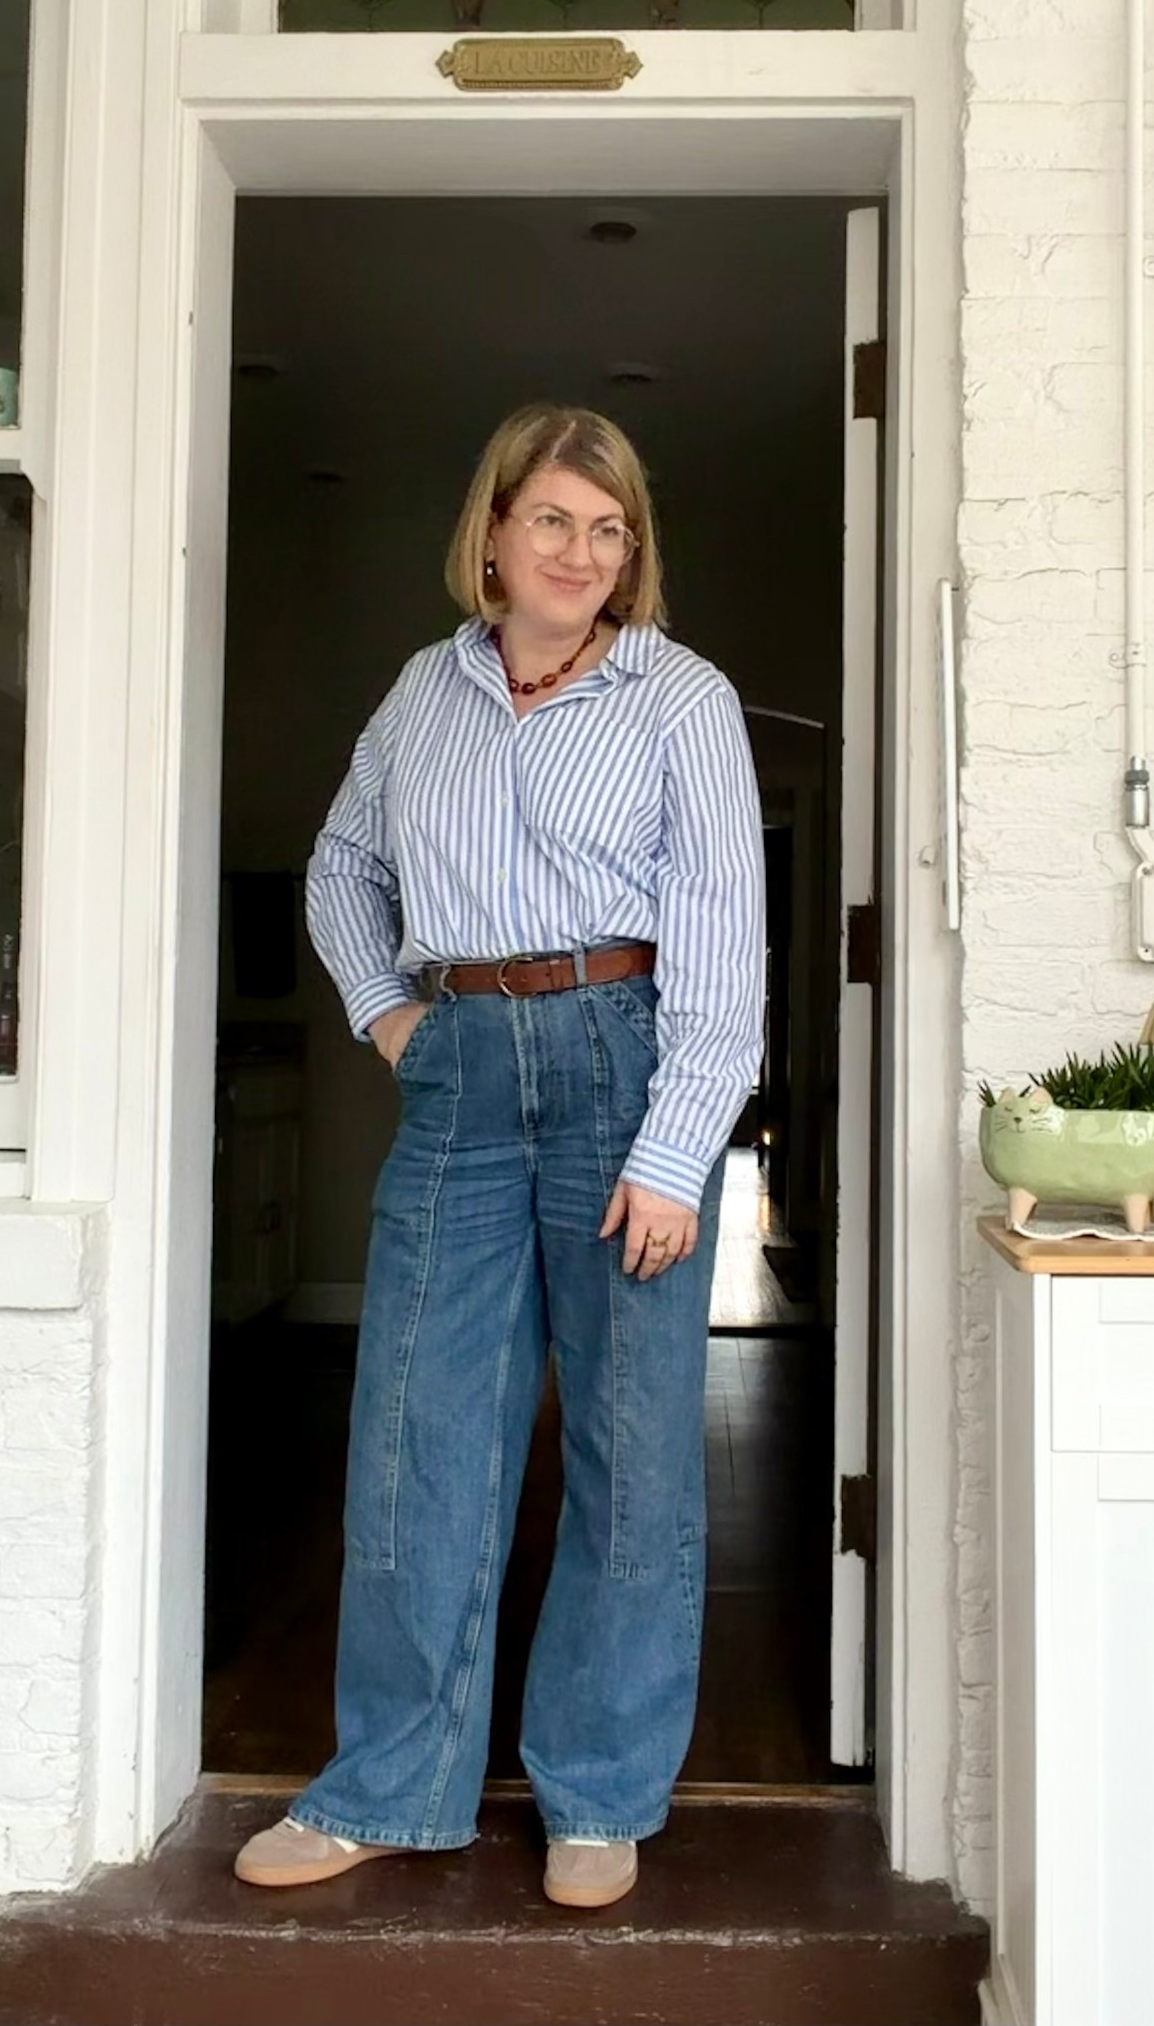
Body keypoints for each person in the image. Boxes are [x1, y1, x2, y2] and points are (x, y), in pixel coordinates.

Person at [234, 403, 765, 1910]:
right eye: (553, 521)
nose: (581, 553)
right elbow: (343, 866)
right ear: (492, 533)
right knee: (418, 1440)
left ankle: (598, 1792)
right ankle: (389, 1787)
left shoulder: (682, 700)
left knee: (630, 1453)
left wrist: (677, 1151)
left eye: (609, 530)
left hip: (624, 1067)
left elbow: (725, 937)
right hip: (460, 1072)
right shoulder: (427, 691)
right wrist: (392, 1014)